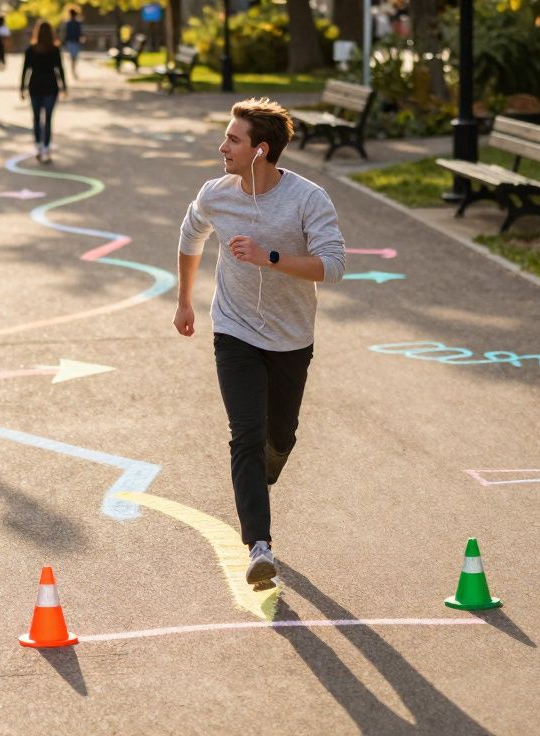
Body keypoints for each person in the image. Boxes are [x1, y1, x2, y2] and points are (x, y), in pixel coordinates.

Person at [174, 98, 346, 587]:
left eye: (233, 139)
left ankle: (265, 465)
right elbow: (190, 238)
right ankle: (259, 546)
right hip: (234, 331)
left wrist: (270, 256)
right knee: (244, 435)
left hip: (291, 337)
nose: (222, 146)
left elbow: (332, 265)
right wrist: (185, 301)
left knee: (279, 437)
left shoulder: (307, 199)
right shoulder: (216, 193)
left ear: (260, 150)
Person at [20, 21, 67, 163]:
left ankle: (39, 146)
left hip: (35, 87)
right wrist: (64, 86)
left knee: (36, 119)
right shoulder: (54, 49)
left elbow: (25, 70)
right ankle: (45, 148)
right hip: (50, 87)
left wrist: (22, 87)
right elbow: (60, 69)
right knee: (47, 120)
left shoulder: (31, 49)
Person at [61, 7, 85, 80]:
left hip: (72, 42)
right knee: (74, 57)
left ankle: (73, 70)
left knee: (73, 57)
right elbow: (80, 32)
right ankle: (73, 70)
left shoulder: (69, 23)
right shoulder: (74, 23)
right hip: (74, 42)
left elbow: (65, 33)